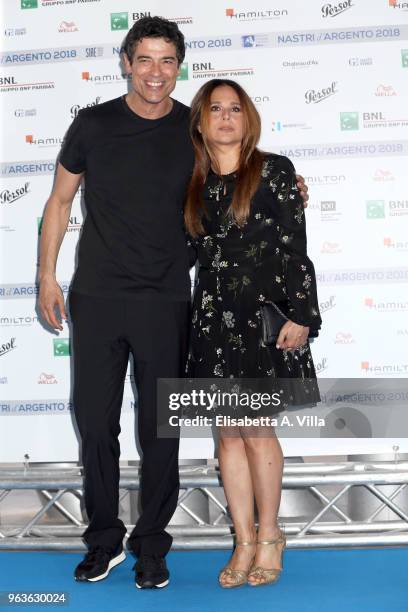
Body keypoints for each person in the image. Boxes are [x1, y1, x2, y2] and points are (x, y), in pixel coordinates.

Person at [37, 17, 310, 589]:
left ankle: (153, 547)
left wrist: (290, 185)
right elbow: (60, 202)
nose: (156, 72)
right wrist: (46, 276)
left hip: (168, 301)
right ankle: (104, 539)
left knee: (162, 430)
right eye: (145, 59)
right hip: (97, 297)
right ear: (127, 62)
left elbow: (244, 175)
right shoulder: (92, 124)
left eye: (167, 61)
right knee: (95, 425)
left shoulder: (194, 128)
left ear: (178, 66)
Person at [184, 79, 322, 588]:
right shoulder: (191, 181)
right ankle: (242, 541)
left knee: (258, 429)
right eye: (214, 109)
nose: (224, 117)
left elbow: (295, 250)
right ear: (199, 121)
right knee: (226, 435)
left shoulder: (274, 171)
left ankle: (270, 536)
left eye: (234, 108)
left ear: (248, 118)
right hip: (212, 321)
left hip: (263, 319)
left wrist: (301, 315)